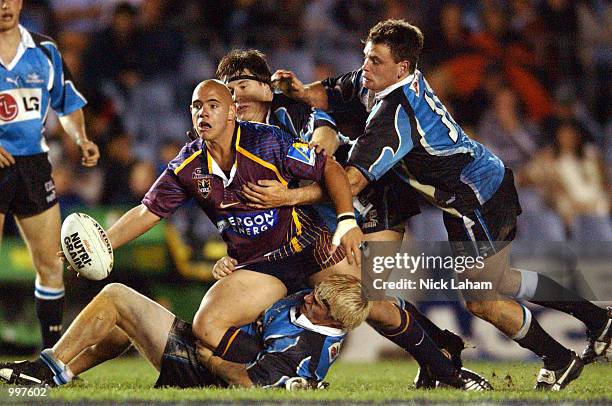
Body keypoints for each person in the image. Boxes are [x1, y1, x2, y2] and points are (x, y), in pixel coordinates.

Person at [61, 79, 491, 391]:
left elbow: (330, 163)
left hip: (307, 247)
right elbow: (147, 210)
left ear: (239, 103)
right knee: (207, 326)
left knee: (372, 297)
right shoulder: (190, 164)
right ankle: (274, 377)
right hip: (260, 264)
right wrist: (103, 245)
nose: (205, 111)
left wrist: (343, 219)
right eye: (197, 105)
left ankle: (447, 367)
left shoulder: (275, 135)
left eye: (221, 100)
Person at [271, 19, 611, 390]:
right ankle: (595, 321)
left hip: (477, 198)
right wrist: (301, 90)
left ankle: (560, 357)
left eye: (376, 61)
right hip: (470, 192)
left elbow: (350, 182)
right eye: (366, 58)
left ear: (403, 67)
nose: (366, 67)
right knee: (500, 281)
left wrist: (288, 197)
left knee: (483, 301)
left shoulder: (397, 114)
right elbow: (335, 91)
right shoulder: (380, 80)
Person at [214, 49, 478, 389]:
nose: (236, 96)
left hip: (369, 200)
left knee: (364, 297)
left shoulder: (291, 111)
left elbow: (326, 138)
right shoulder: (232, 140)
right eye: (228, 89)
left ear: (264, 87)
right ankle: (441, 349)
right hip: (322, 219)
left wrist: (307, 158)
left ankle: (446, 369)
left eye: (243, 85)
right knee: (366, 299)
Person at [0, 274, 370, 388]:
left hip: (198, 367)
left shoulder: (302, 349)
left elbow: (247, 383)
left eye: (318, 302)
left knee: (116, 298)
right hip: (201, 352)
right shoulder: (311, 310)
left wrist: (210, 362)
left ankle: (46, 367)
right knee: (124, 320)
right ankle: (62, 375)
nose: (307, 298)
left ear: (333, 321)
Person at [0, 0, 100, 348]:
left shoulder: (44, 50)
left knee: (51, 265)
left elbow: (67, 102)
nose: (4, 6)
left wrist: (81, 138)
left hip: (32, 167)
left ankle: (49, 355)